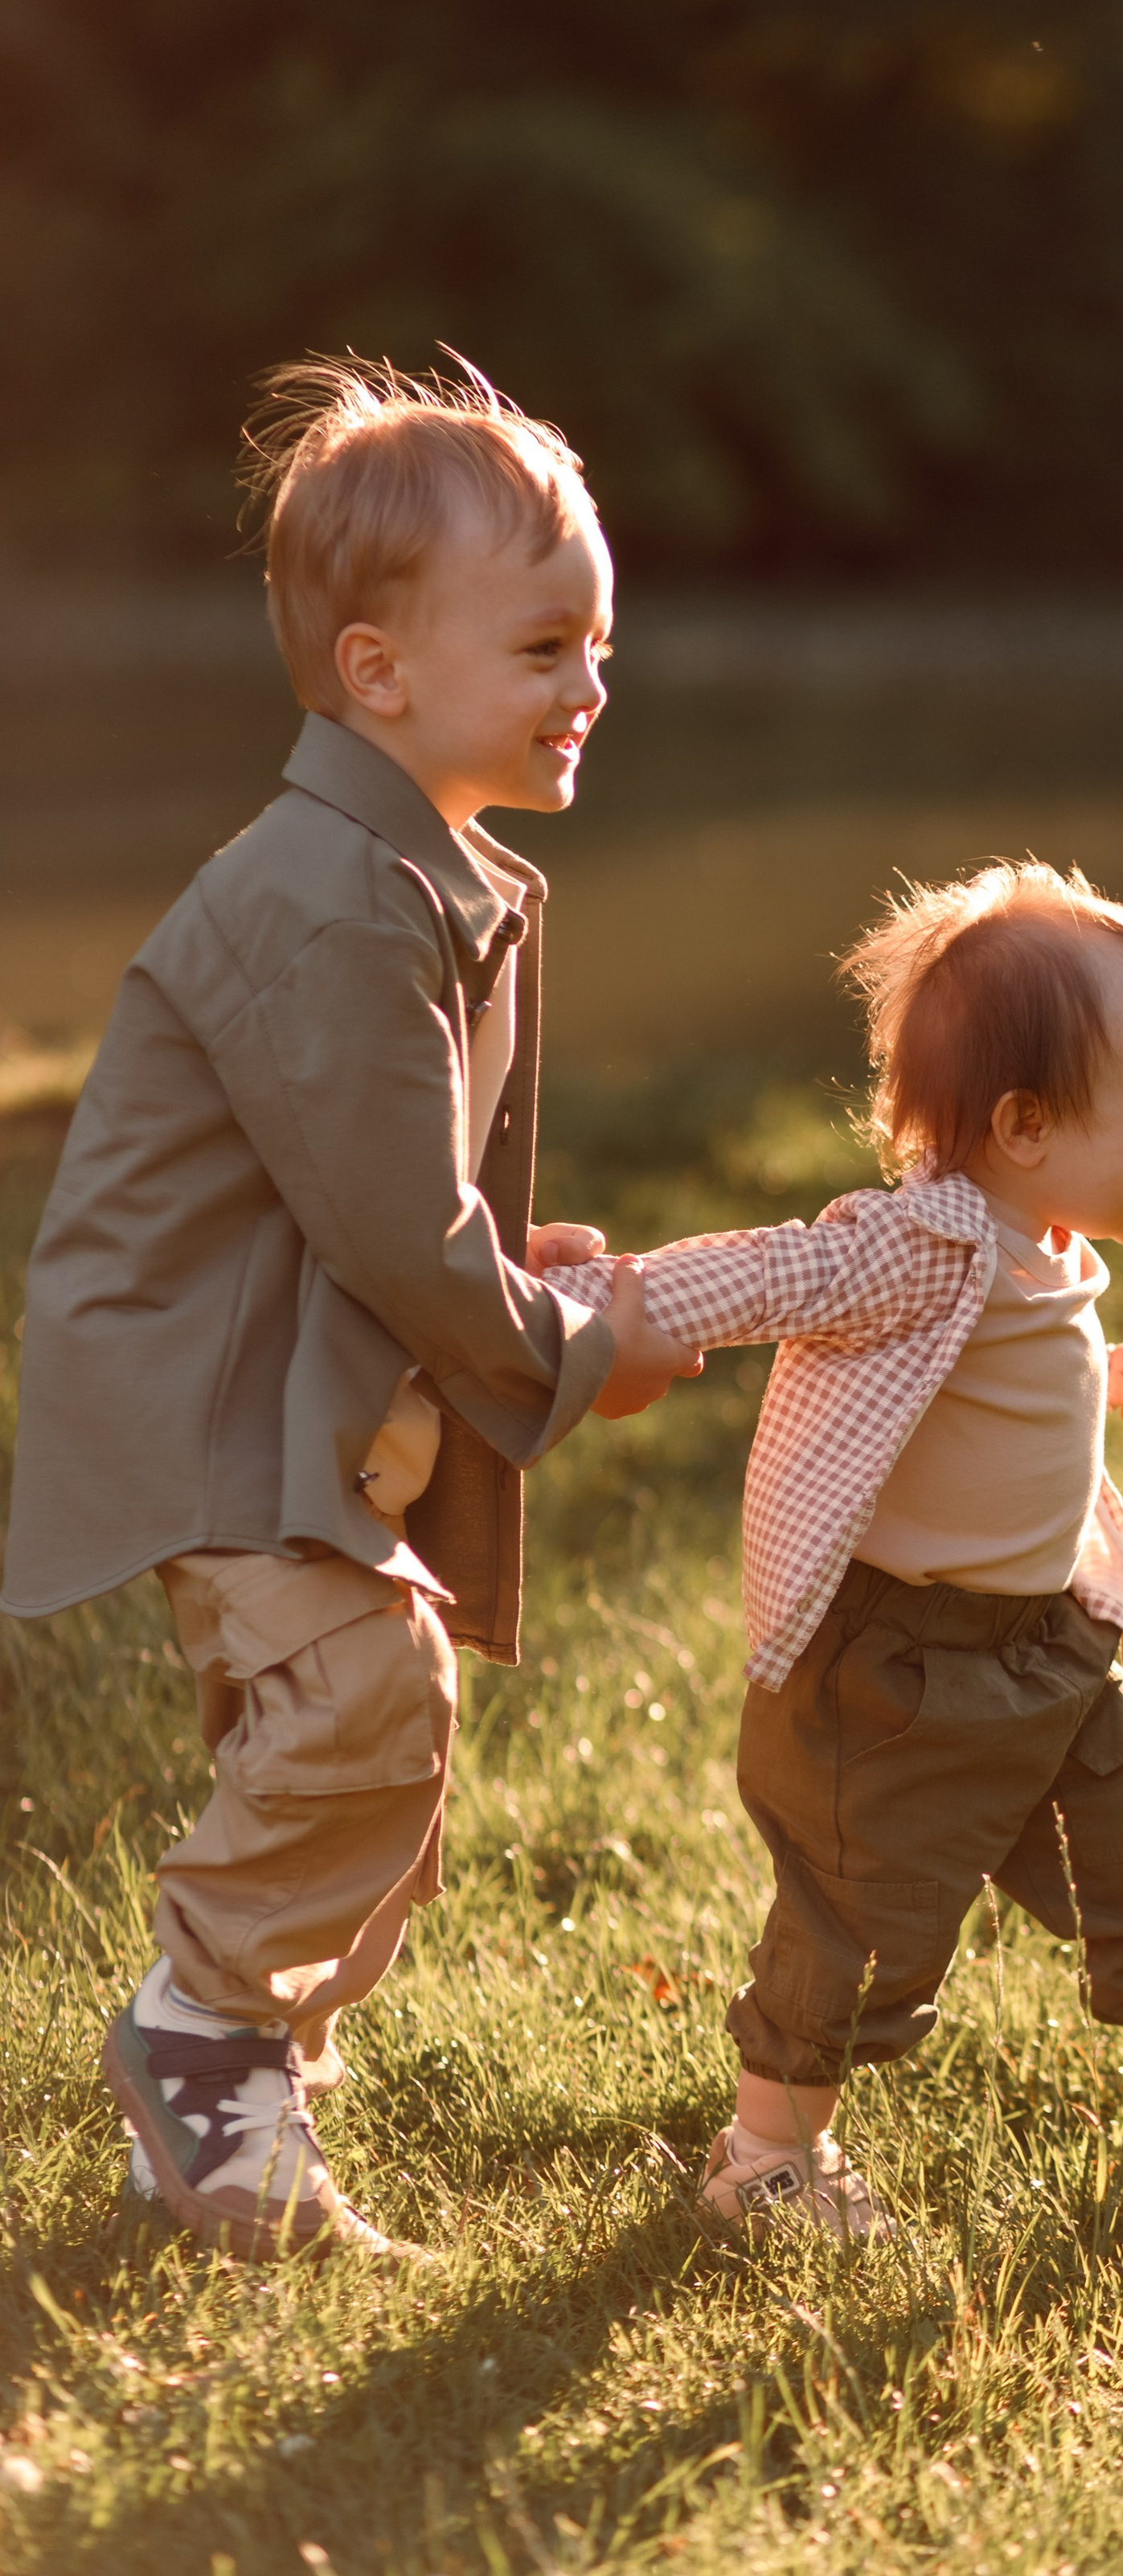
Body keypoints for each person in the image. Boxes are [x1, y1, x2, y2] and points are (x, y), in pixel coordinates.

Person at [0, 357, 698, 2261]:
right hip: (207, 1389)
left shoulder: (419, 873)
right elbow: (392, 1228)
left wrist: (520, 1264)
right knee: (361, 1691)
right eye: (546, 645)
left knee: (386, 1724)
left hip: (291, 1370)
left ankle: (244, 2086)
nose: (590, 686)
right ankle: (199, 2034)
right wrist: (570, 1349)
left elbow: (399, 1190)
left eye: (599, 643)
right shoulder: (327, 895)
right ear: (379, 673)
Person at [546, 859, 1123, 2242]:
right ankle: (766, 2160)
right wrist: (585, 1304)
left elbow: (984, 1368)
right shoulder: (917, 1246)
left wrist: (1087, 1379)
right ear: (1025, 1124)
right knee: (864, 1924)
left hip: (1048, 1643)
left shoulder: (1037, 1245)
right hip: (904, 1670)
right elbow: (766, 1274)